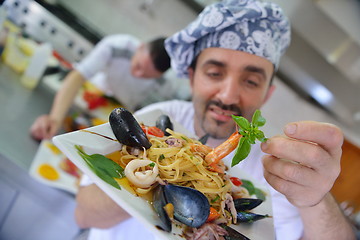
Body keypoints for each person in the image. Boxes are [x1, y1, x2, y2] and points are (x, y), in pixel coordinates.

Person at [74, 1, 356, 239]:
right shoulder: (161, 116)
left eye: (250, 80)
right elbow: (84, 214)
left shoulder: (275, 169)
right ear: (192, 75)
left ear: (267, 94)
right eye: (214, 73)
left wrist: (317, 200)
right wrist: (154, 174)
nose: (229, 94)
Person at [30, 34, 171, 141]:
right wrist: (55, 119)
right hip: (87, 100)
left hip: (116, 119)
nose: (138, 74)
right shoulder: (116, 45)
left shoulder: (166, 83)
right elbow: (77, 77)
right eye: (139, 66)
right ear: (140, 47)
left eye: (146, 76)